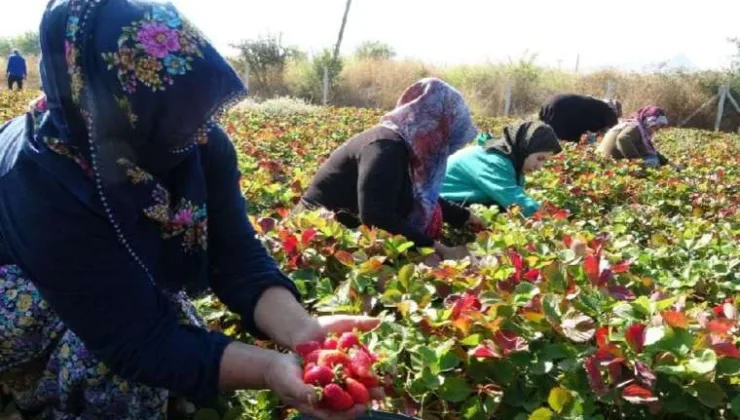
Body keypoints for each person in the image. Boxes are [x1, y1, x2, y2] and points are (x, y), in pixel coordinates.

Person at [0, 1, 378, 419]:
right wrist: (270, 370)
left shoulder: (197, 139)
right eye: (170, 113)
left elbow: (235, 255)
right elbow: (135, 340)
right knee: (113, 368)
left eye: (196, 109)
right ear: (110, 104)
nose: (199, 131)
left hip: (106, 283)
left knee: (177, 345)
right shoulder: (37, 173)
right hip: (20, 294)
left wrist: (304, 335)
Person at [297, 78, 483, 261]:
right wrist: (440, 249)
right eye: (445, 138)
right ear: (432, 125)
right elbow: (376, 216)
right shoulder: (385, 148)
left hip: (346, 237)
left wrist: (465, 217)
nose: (444, 148)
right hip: (315, 240)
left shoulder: (404, 148)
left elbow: (416, 195)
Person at [441, 121, 562, 217]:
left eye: (545, 161)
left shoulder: (509, 159)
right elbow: (515, 201)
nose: (539, 167)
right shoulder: (494, 161)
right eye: (539, 158)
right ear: (525, 148)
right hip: (442, 206)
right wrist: (551, 219)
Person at [597, 105, 675, 168]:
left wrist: (666, 162)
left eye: (658, 127)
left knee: (652, 157)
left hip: (604, 158)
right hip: (607, 160)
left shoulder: (638, 128)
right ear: (647, 121)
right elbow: (623, 139)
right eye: (654, 126)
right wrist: (636, 162)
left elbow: (647, 149)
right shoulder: (635, 127)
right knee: (653, 160)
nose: (655, 130)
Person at [539, 93, 619, 143]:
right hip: (562, 108)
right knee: (566, 144)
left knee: (547, 137)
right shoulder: (609, 112)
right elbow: (612, 133)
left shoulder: (596, 105)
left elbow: (592, 132)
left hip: (550, 101)